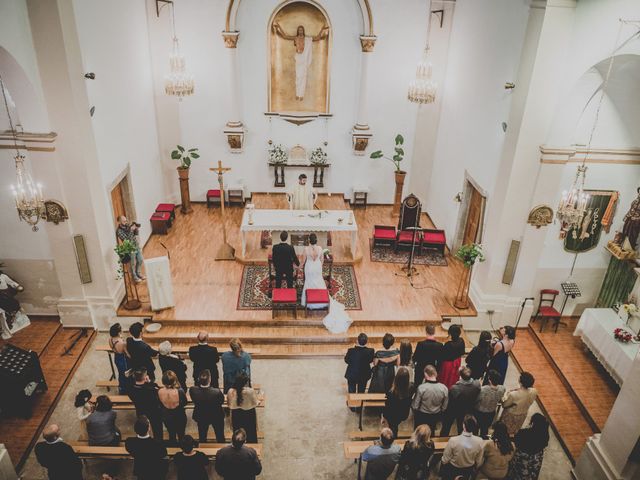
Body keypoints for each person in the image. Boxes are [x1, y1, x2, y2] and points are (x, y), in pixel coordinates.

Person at [272, 24, 329, 101]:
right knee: (298, 77)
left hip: (304, 58)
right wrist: (278, 27)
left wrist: (322, 29)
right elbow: (284, 36)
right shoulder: (296, 38)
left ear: (303, 31)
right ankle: (297, 94)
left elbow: (317, 38)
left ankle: (301, 94)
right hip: (298, 58)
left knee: (303, 77)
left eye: (302, 30)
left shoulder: (307, 39)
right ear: (298, 31)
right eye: (299, 30)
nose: (300, 31)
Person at [440, 415, 484, 480]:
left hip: (453, 468)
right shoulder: (480, 441)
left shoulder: (453, 440)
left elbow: (445, 460)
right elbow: (478, 460)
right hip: (468, 469)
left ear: (463, 425)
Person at [507, 414, 549, 480]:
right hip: (536, 457)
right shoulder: (545, 433)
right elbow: (545, 444)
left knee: (518, 472)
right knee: (532, 473)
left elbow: (517, 441)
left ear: (533, 423)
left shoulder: (524, 432)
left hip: (523, 456)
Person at [441, 367, 481, 437]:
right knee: (462, 427)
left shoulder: (455, 388)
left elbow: (449, 400)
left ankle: (442, 439)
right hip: (467, 409)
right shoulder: (477, 385)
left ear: (460, 376)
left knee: (446, 426)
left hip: (454, 409)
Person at [125, 416, 168, 480]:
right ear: (149, 428)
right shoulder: (157, 444)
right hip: (154, 470)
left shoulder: (130, 442)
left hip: (140, 469)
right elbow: (164, 454)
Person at [189, 369, 225, 443]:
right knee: (220, 435)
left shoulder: (193, 390)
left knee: (202, 436)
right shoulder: (217, 392)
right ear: (210, 380)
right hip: (216, 415)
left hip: (201, 415)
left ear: (198, 379)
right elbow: (221, 401)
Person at [411, 365, 448, 434]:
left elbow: (415, 406)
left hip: (422, 415)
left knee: (419, 433)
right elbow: (444, 406)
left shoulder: (422, 388)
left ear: (425, 374)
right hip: (435, 415)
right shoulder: (444, 388)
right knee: (431, 432)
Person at [128, 368, 163, 440]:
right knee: (157, 429)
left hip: (140, 410)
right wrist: (150, 382)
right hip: (153, 411)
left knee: (143, 428)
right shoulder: (151, 388)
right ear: (145, 377)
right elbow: (159, 391)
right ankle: (158, 440)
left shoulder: (130, 388)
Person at [227, 372, 259, 443]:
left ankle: (238, 444)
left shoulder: (230, 391)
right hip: (249, 414)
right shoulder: (250, 391)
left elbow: (229, 404)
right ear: (246, 383)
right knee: (251, 433)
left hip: (236, 414)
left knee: (237, 433)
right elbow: (255, 403)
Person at [383, 367, 414, 438]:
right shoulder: (411, 388)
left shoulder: (391, 391)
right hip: (403, 413)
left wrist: (384, 416)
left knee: (393, 426)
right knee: (395, 424)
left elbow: (388, 405)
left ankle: (392, 438)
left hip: (392, 413)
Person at [158, 370, 188, 445]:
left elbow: (160, 404)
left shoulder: (160, 391)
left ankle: (173, 448)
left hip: (167, 416)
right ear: (174, 380)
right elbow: (184, 402)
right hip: (179, 415)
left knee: (171, 434)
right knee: (181, 435)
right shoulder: (179, 391)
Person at [473, 370, 506, 438]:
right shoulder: (502, 389)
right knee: (485, 429)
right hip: (491, 412)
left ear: (490, 380)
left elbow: (477, 400)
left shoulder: (483, 390)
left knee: (476, 427)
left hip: (480, 412)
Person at [301, 233, 327, 310]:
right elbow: (322, 260)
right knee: (318, 280)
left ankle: (309, 299)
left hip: (309, 267)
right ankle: (321, 298)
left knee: (309, 281)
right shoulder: (320, 248)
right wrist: (319, 266)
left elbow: (303, 262)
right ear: (316, 240)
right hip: (317, 266)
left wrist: (297, 267)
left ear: (309, 240)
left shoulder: (306, 249)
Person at [116, 215, 145, 283]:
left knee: (140, 260)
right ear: (119, 222)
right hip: (130, 248)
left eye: (126, 220)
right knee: (132, 264)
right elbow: (126, 240)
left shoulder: (128, 225)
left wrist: (136, 229)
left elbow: (135, 234)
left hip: (136, 245)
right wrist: (130, 230)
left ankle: (138, 273)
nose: (126, 222)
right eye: (124, 221)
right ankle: (134, 277)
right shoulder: (119, 231)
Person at [437, 325, 466, 389]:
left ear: (451, 334)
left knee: (446, 378)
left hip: (448, 363)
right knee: (454, 377)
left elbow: (442, 356)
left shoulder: (448, 344)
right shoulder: (462, 340)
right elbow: (462, 352)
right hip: (457, 361)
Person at [109, 323, 130, 394]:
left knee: (120, 373)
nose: (122, 330)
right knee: (125, 374)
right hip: (122, 359)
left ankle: (121, 388)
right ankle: (124, 390)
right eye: (121, 329)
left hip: (116, 356)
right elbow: (126, 353)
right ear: (118, 332)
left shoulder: (110, 339)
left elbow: (113, 347)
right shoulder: (121, 343)